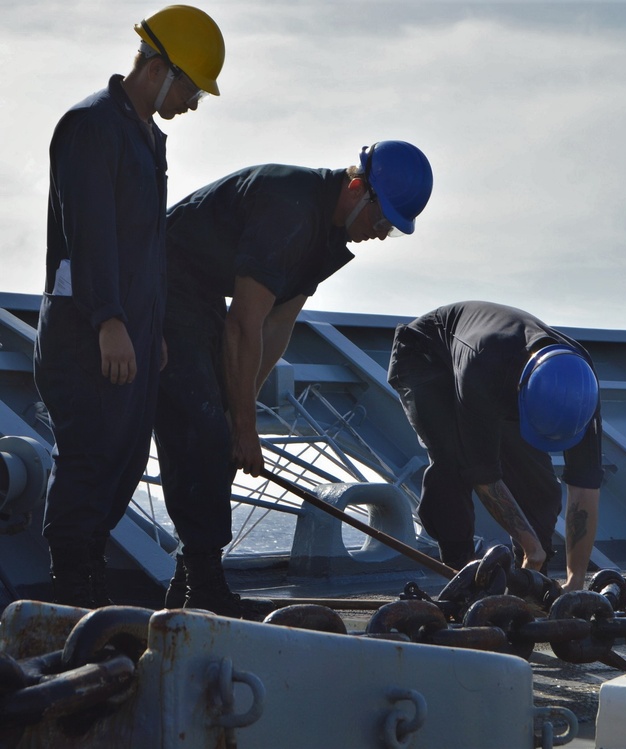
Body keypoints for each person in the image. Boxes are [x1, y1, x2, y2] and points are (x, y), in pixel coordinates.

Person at [155, 141, 434, 616]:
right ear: (355, 188)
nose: (381, 233)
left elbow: (277, 326)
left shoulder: (328, 237)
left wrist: (240, 408)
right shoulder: (291, 209)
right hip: (156, 282)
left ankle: (190, 579)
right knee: (204, 428)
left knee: (220, 422)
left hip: (199, 295)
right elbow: (244, 322)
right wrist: (240, 425)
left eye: (392, 229)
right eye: (382, 219)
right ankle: (201, 584)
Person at [34, 5, 225, 608]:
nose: (194, 103)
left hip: (129, 329)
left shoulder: (145, 136)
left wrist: (149, 325)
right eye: (192, 87)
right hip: (87, 332)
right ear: (161, 69)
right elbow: (89, 234)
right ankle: (71, 598)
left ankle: (84, 584)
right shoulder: (91, 125)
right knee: (90, 457)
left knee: (119, 462)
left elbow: (145, 245)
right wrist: (111, 320)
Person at [387, 301, 603, 591]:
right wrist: (530, 546)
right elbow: (483, 473)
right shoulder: (483, 367)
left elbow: (585, 485)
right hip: (427, 354)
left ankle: (528, 578)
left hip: (507, 371)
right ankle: (461, 573)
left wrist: (576, 579)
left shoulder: (580, 382)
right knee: (453, 460)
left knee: (538, 482)